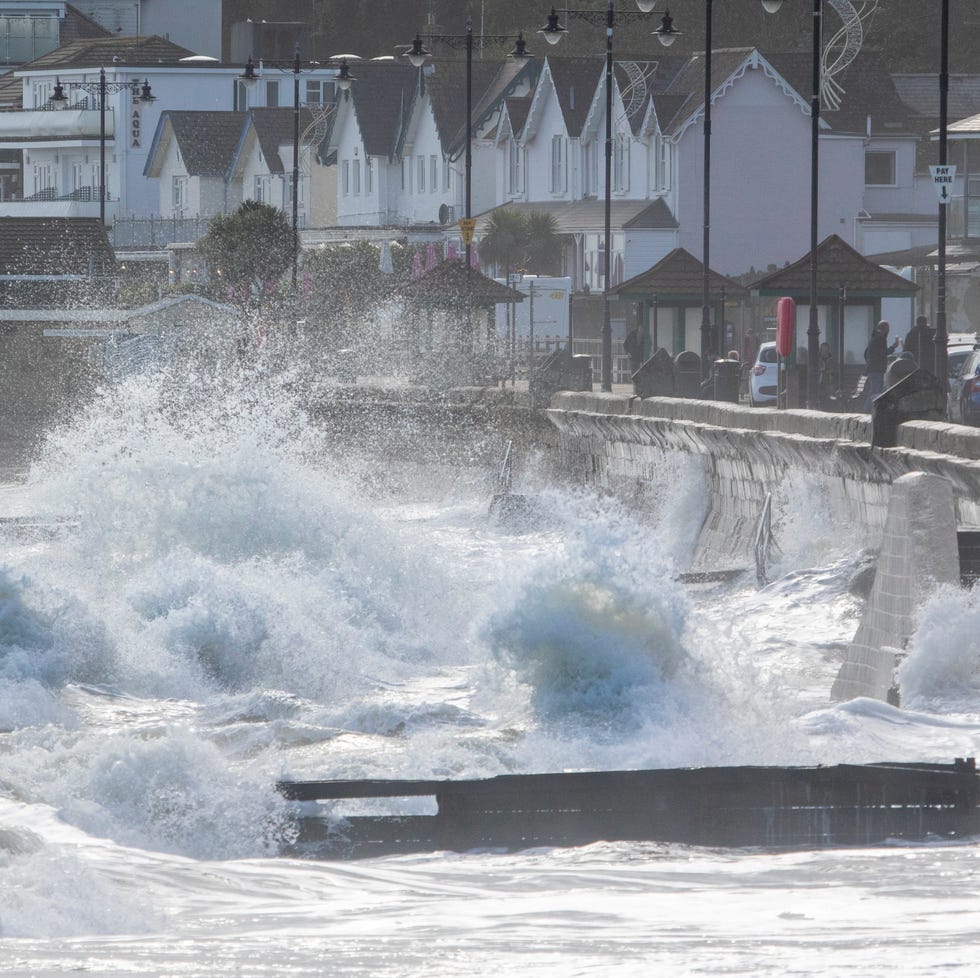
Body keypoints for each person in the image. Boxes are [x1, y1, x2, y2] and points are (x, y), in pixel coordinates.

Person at [864, 320, 899, 411]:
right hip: (877, 369)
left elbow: (866, 353)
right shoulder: (881, 338)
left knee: (873, 390)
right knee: (876, 391)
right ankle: (869, 410)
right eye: (888, 329)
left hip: (872, 368)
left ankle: (867, 409)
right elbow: (883, 353)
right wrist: (893, 347)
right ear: (885, 329)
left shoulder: (873, 337)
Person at [816, 341, 838, 410]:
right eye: (823, 350)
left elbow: (836, 371)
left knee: (830, 390)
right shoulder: (817, 359)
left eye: (826, 350)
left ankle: (829, 407)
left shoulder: (832, 359)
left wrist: (830, 371)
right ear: (821, 350)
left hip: (829, 382)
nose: (825, 352)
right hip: (819, 382)